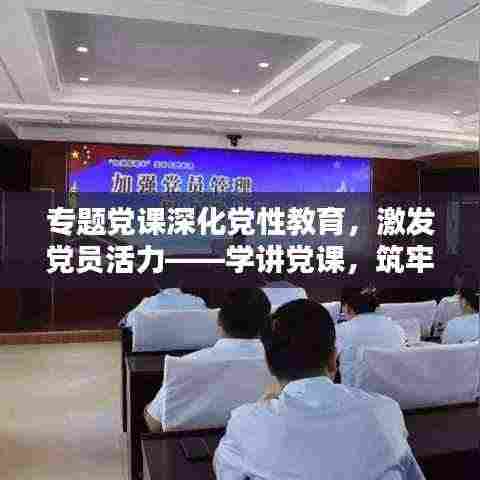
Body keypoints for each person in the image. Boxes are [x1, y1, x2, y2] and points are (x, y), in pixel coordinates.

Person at [214, 299, 424, 480]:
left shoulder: (245, 422)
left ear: (269, 365)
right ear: (333, 359)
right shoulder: (386, 411)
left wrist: (262, 405)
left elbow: (226, 471)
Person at [144, 288, 271, 432]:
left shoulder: (185, 364)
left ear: (219, 320)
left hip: (190, 446)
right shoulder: (281, 366)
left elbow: (154, 423)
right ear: (267, 325)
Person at [336, 289, 407, 386]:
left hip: (354, 392)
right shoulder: (397, 329)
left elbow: (328, 362)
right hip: (393, 391)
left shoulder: (342, 329)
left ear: (348, 308)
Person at [121, 280, 206, 328]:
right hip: (196, 352)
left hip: (148, 353)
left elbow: (127, 324)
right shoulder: (199, 302)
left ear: (156, 285)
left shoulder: (147, 303)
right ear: (181, 282)